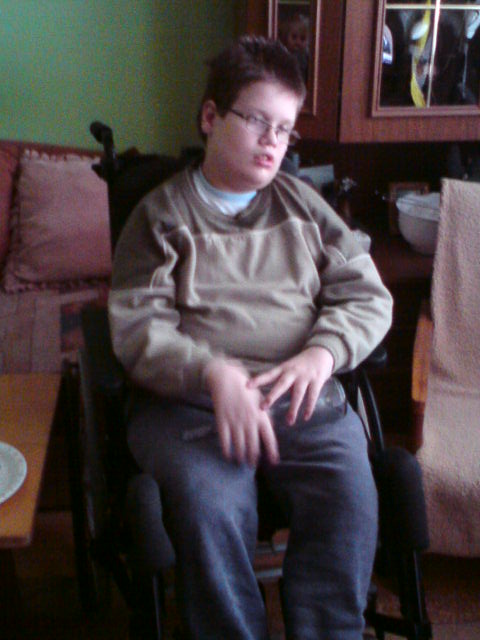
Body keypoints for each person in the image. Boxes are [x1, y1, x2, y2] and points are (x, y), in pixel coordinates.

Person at [109, 35, 393, 640]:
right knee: (210, 504)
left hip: (301, 395)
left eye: (285, 129)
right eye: (258, 120)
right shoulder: (160, 218)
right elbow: (138, 327)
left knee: (347, 491)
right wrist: (212, 373)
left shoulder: (305, 208)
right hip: (190, 406)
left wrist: (323, 353)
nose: (273, 141)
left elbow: (368, 296)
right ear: (210, 117)